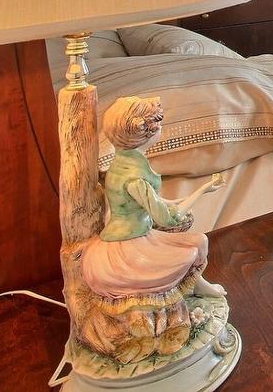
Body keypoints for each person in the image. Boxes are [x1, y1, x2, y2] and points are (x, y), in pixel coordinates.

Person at [80, 96, 226, 299]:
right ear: (147, 132)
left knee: (199, 242)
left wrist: (185, 198)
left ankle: (199, 286)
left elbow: (153, 203)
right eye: (159, 123)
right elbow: (167, 218)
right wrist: (202, 190)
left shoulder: (123, 163)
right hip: (129, 245)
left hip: (139, 233)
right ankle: (192, 290)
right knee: (191, 251)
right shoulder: (134, 177)